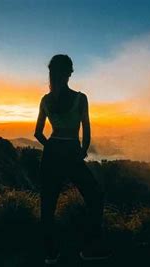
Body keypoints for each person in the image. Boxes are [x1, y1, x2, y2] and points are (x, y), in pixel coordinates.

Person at [34, 54, 111, 265]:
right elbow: (86, 131)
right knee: (95, 195)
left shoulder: (46, 100)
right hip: (71, 152)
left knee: (48, 204)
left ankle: (50, 254)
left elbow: (38, 133)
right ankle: (90, 248)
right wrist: (82, 150)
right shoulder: (80, 98)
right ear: (69, 73)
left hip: (51, 154)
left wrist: (51, 147)